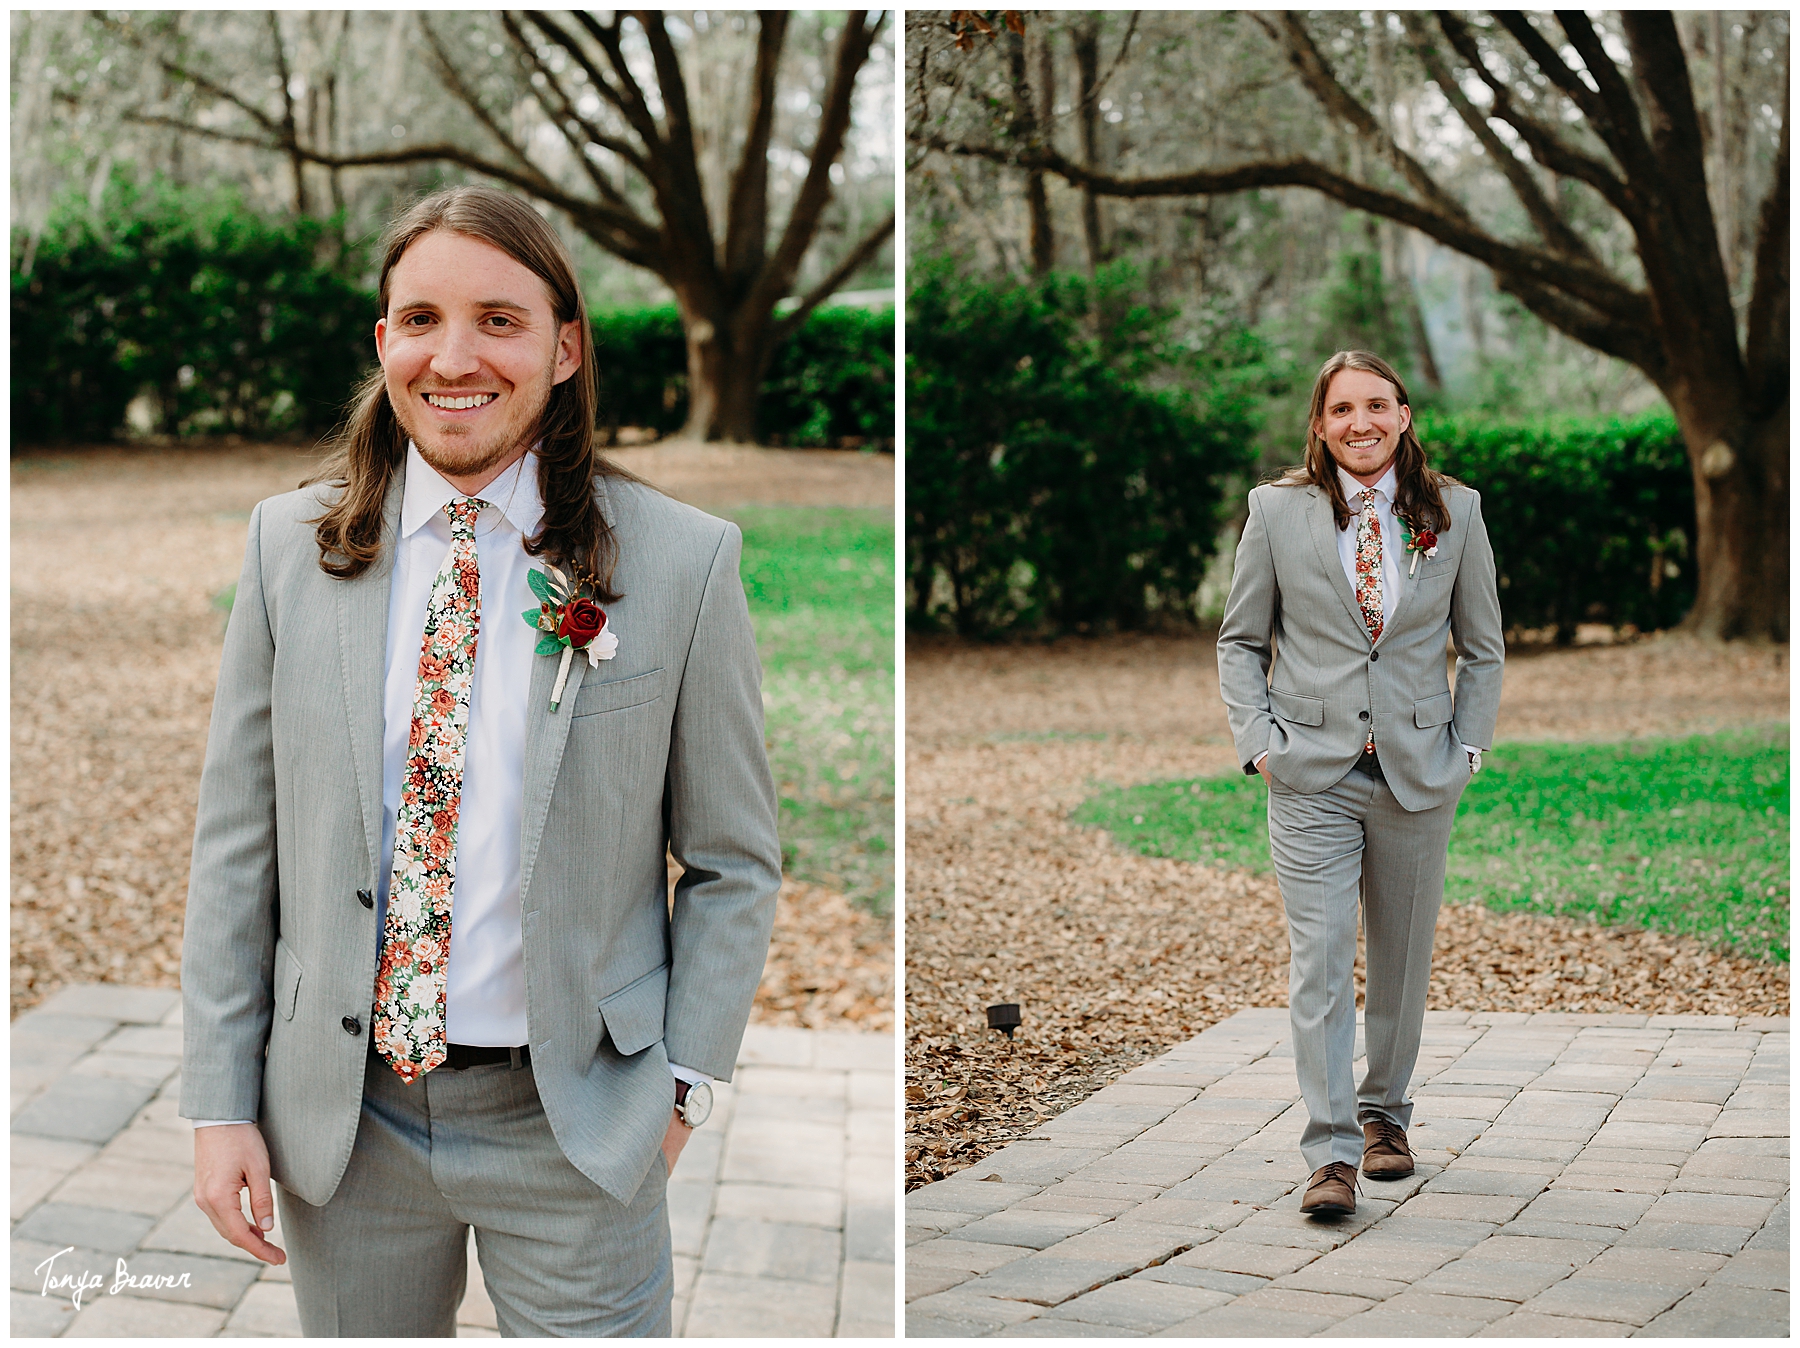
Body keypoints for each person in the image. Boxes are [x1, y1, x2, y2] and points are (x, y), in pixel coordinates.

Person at [179, 185, 781, 1335]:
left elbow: (733, 860)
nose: (455, 356)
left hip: (578, 1125)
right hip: (343, 1123)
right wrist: (220, 1101)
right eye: (421, 320)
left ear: (565, 347)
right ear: (384, 344)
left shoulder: (685, 563)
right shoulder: (287, 551)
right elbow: (235, 848)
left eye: (499, 320)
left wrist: (683, 1089)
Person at [1216, 350, 1503, 1216]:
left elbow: (1482, 647)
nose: (1360, 423)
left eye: (1376, 405)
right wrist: (1259, 741)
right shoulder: (1277, 512)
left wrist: (1470, 751)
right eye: (1341, 409)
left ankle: (1386, 1115)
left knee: (1403, 962)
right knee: (1321, 964)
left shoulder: (1455, 511)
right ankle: (1332, 1151)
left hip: (1419, 772)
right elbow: (1239, 641)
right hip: (1309, 772)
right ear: (1320, 423)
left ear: (1404, 415)